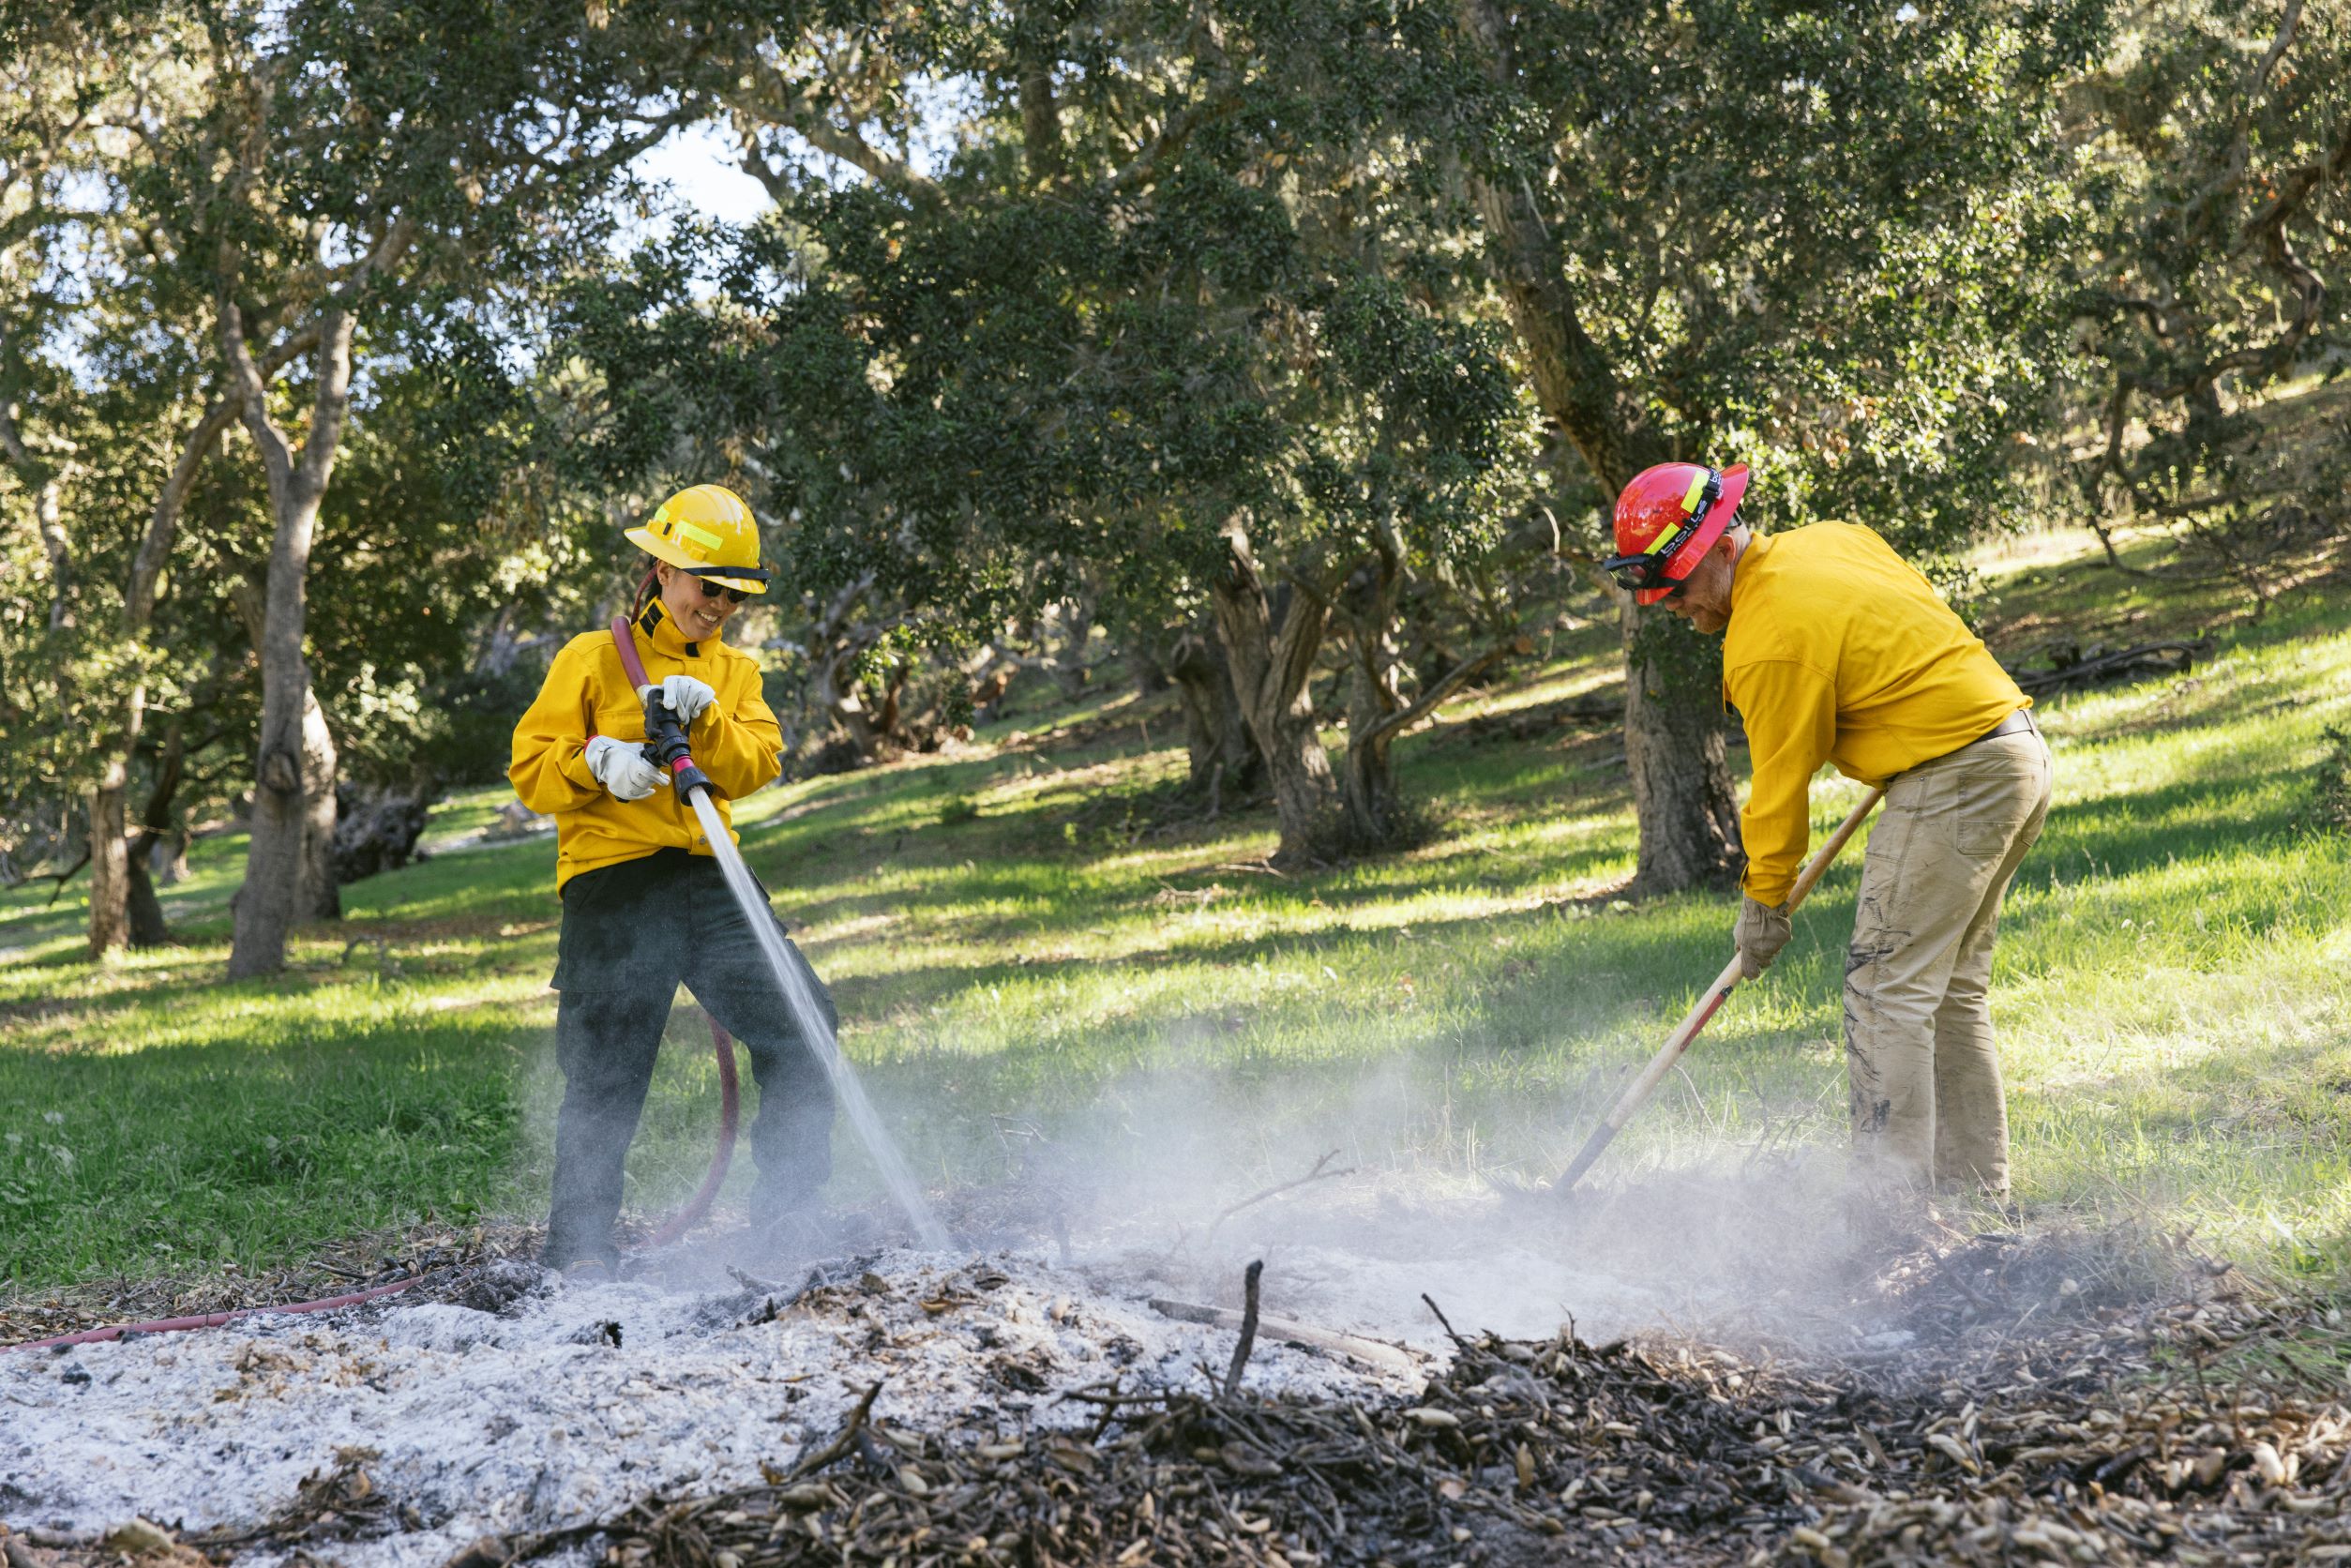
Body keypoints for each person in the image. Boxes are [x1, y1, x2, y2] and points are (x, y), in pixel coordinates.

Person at [1604, 462, 2052, 1207]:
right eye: (1652, 590)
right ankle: (1974, 1202)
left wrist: (1763, 904)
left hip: (1954, 776)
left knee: (1882, 992)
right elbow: (1904, 632)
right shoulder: (1830, 540)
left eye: (1674, 586)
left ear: (1718, 547)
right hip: (2013, 751)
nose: (1667, 605)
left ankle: (1890, 1213)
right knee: (1943, 995)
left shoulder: (1767, 639)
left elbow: (1779, 791)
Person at [509, 483, 836, 1273]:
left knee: (806, 1026)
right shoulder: (589, 660)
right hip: (615, 882)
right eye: (706, 584)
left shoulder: (736, 673)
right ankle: (581, 1249)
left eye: (734, 591)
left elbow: (757, 764)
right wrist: (596, 760)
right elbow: (529, 769)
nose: (719, 603)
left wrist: (711, 720)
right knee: (607, 1066)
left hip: (711, 881)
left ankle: (789, 1220)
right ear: (661, 571)